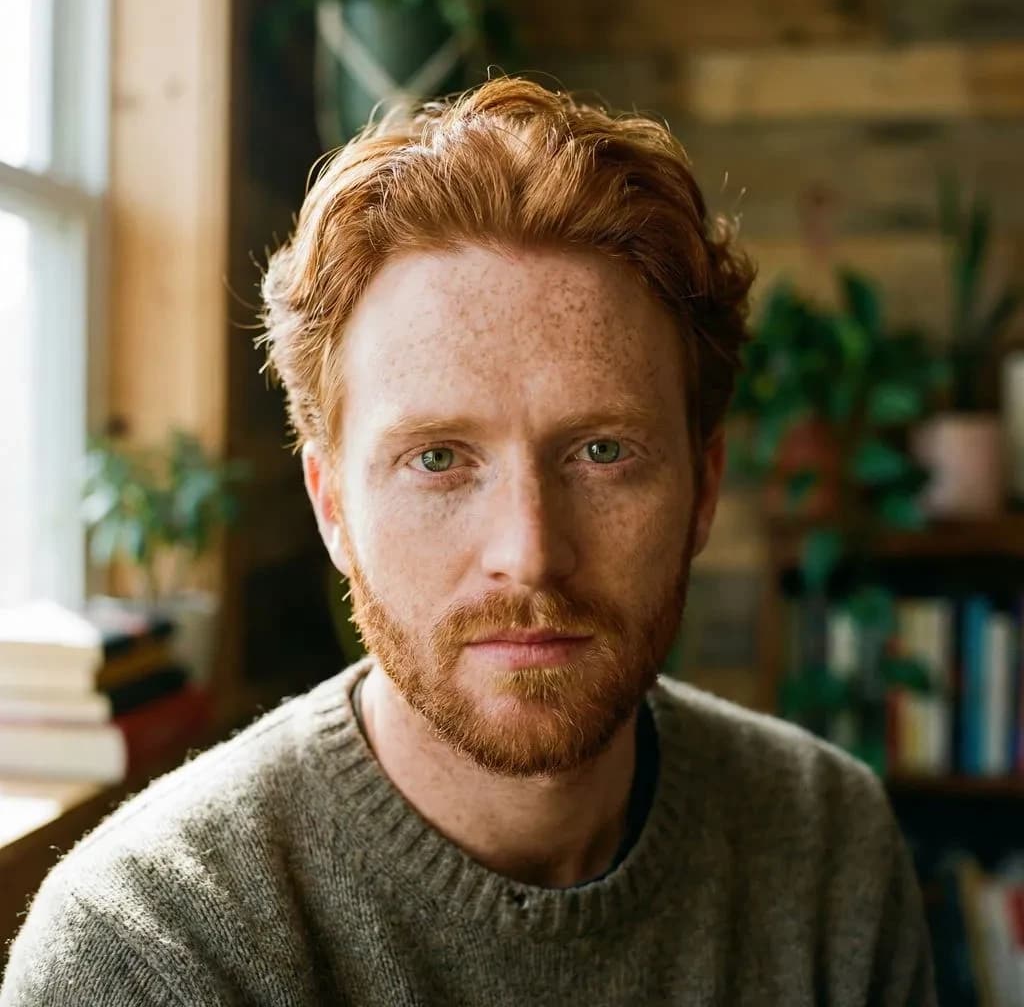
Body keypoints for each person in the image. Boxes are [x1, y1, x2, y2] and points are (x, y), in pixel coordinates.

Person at [1, 76, 936, 1006]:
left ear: (705, 487)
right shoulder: (148, 951)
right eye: (438, 459)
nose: (529, 553)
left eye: (602, 452)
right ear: (332, 506)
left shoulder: (828, 849)